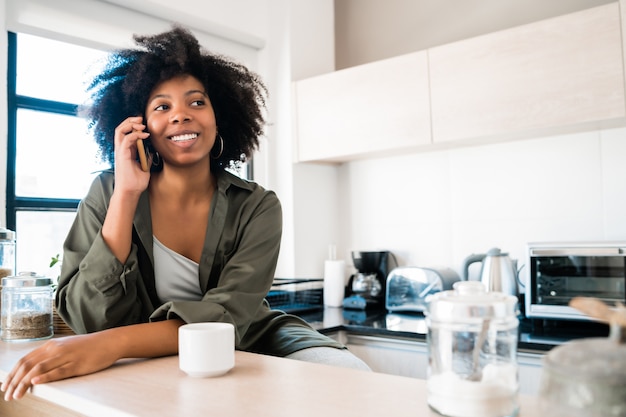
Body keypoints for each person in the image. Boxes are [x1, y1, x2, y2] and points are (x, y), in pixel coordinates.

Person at [1, 26, 369, 402]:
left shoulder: (258, 205)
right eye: (162, 107)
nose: (180, 116)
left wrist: (111, 345)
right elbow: (89, 318)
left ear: (219, 117)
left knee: (353, 382)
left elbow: (229, 317)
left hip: (254, 338)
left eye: (196, 102)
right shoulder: (109, 193)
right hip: (149, 356)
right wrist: (127, 194)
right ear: (138, 125)